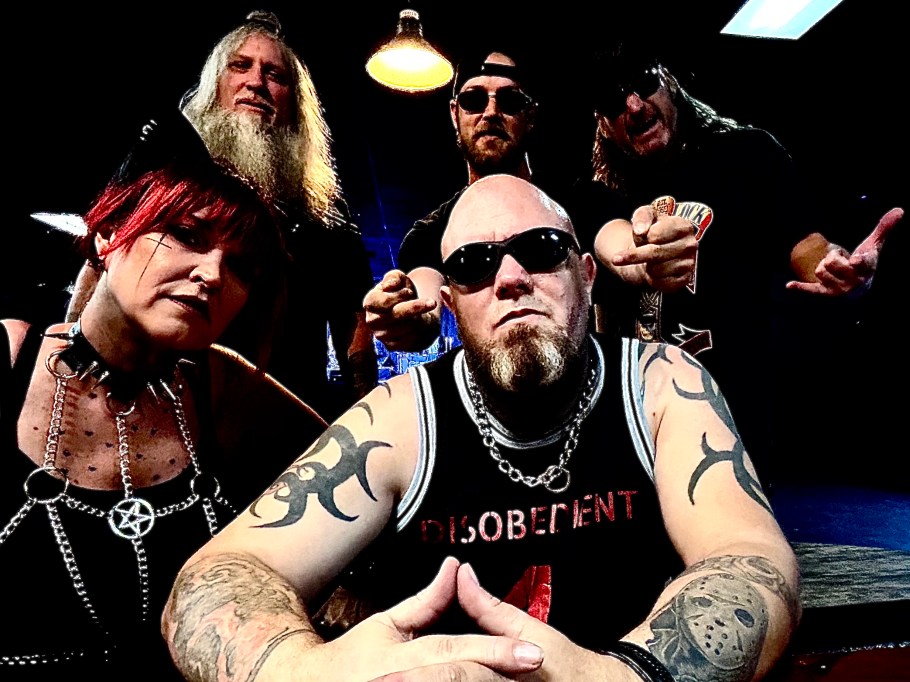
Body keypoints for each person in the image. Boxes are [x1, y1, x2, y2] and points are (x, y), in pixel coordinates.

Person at [162, 175, 801, 682]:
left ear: (585, 274)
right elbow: (220, 576)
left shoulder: (659, 383)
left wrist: (617, 677)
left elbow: (749, 559)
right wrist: (307, 672)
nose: (510, 278)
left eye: (541, 250)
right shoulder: (403, 416)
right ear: (452, 304)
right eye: (473, 264)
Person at [0, 128, 329, 679]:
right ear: (109, 234)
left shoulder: (220, 383)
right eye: (186, 234)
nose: (213, 275)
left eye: (241, 268)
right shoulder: (9, 358)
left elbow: (364, 464)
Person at [567, 41, 904, 488]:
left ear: (670, 82)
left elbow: (806, 245)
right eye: (613, 100)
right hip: (636, 427)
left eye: (644, 82)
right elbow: (613, 244)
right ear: (603, 125)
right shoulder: (597, 192)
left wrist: (839, 271)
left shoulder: (748, 156)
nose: (633, 105)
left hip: (735, 423)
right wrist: (645, 262)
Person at [179, 10, 378, 421]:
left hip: (285, 428)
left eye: (275, 75)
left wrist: (364, 425)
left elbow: (354, 331)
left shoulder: (325, 214)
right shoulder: (171, 183)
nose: (256, 83)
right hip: (171, 416)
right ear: (215, 84)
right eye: (240, 66)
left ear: (295, 103)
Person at [362, 46, 540, 353]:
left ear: (530, 115)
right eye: (474, 100)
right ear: (455, 114)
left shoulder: (578, 205)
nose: (491, 112)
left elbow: (617, 248)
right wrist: (408, 314)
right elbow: (424, 299)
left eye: (510, 100)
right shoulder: (431, 234)